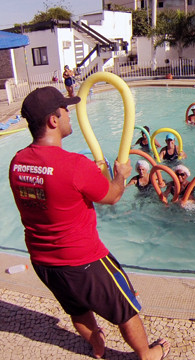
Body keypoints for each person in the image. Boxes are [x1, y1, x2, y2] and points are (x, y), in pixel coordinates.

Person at [9, 87, 169, 359]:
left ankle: (97, 346)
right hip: (84, 260)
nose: (70, 114)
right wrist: (121, 175)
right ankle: (146, 354)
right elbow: (113, 196)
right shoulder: (73, 165)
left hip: (43, 261)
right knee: (125, 309)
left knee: (77, 309)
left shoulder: (18, 162)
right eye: (66, 110)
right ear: (53, 120)